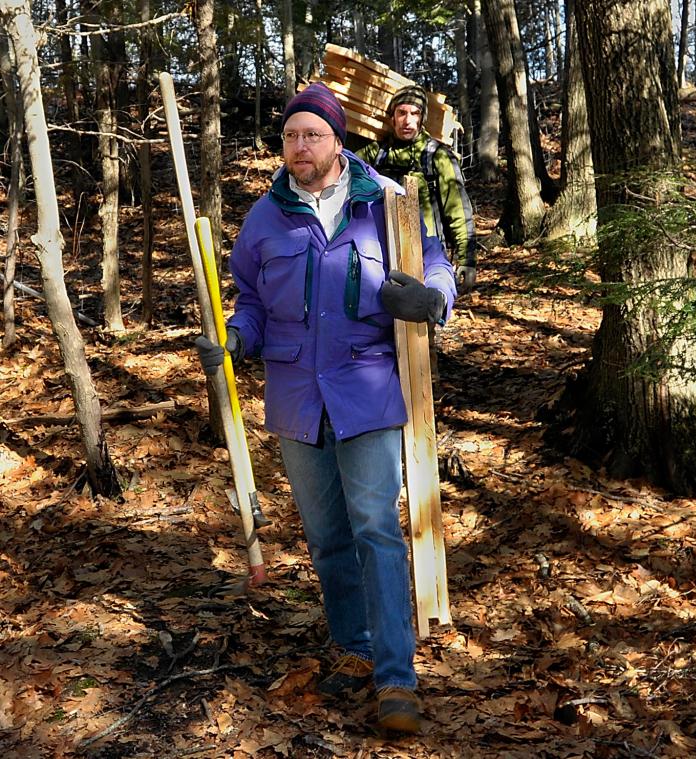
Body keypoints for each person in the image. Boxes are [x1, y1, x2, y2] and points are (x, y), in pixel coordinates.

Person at [194, 82, 456, 735]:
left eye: (311, 134)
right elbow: (252, 302)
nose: (299, 146)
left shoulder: (385, 205)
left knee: (375, 528)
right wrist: (232, 336)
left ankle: (396, 675)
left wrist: (433, 298)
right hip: (296, 399)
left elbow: (435, 260)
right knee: (329, 537)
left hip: (367, 391)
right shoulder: (264, 219)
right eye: (290, 136)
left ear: (338, 139)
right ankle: (352, 644)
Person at [356, 85, 477, 294]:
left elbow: (457, 209)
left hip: (426, 256)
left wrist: (467, 259)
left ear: (423, 118)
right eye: (401, 113)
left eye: (415, 113)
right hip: (379, 255)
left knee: (420, 319)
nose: (408, 120)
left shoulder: (437, 156)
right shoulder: (375, 154)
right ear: (392, 117)